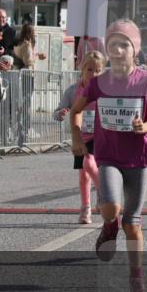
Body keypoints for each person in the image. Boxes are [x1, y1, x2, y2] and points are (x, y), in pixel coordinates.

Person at [70, 20, 147, 292]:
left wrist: (142, 127)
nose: (118, 50)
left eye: (124, 44)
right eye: (113, 45)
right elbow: (75, 112)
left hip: (139, 156)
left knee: (133, 223)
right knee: (111, 206)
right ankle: (109, 224)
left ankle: (136, 278)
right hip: (108, 155)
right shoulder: (98, 83)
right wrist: (76, 139)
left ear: (135, 49)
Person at [55, 51, 107, 224]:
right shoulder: (73, 91)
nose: (94, 74)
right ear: (82, 69)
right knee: (83, 174)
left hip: (99, 136)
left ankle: (104, 193)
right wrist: (61, 113)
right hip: (79, 134)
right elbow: (58, 111)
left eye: (98, 70)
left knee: (88, 163)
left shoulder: (105, 90)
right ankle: (86, 208)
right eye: (90, 70)